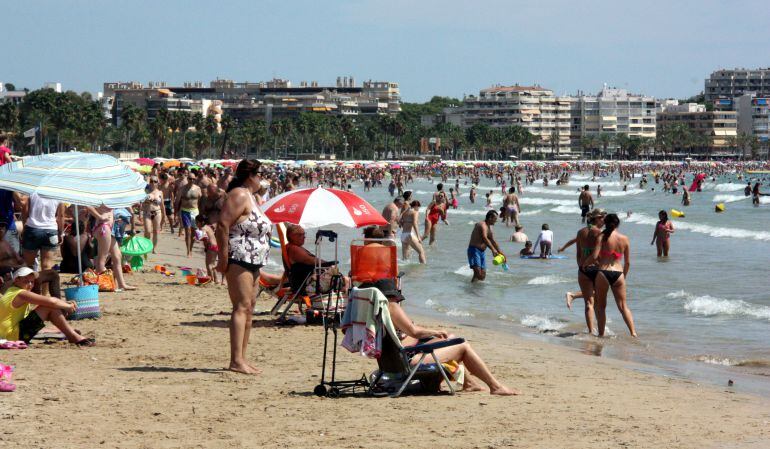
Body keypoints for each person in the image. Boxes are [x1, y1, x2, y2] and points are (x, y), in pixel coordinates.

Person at [370, 278, 519, 395]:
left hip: (392, 362)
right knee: (463, 346)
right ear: (391, 295)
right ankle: (495, 386)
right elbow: (414, 332)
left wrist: (430, 334)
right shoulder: (391, 307)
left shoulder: (375, 310)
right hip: (408, 361)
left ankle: (469, 384)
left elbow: (405, 336)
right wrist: (434, 332)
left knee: (451, 339)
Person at [216, 159, 272, 375]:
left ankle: (242, 358)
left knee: (249, 308)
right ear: (251, 174)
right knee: (241, 306)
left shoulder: (252, 197)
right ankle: (236, 360)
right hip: (239, 256)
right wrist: (223, 256)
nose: (262, 178)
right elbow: (223, 224)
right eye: (261, 173)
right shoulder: (239, 194)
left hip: (254, 258)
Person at [0, 267, 94, 345]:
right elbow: (50, 301)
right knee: (49, 306)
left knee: (50, 306)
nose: (30, 285)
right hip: (13, 337)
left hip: (9, 334)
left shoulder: (11, 291)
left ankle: (72, 335)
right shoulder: (21, 294)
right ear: (16, 280)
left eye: (32, 282)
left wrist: (63, 303)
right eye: (26, 281)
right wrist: (67, 306)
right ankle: (73, 336)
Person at [558, 208, 605, 334]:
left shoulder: (580, 232)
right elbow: (600, 255)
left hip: (583, 269)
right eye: (602, 217)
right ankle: (599, 332)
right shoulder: (600, 233)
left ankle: (591, 331)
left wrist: (581, 266)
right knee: (598, 303)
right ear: (596, 218)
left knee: (589, 302)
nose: (604, 219)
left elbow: (578, 253)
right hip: (597, 269)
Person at [588, 213, 637, 337]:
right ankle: (633, 333)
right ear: (618, 224)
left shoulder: (602, 236)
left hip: (603, 273)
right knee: (623, 306)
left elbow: (594, 256)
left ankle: (601, 334)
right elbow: (628, 262)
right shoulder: (625, 238)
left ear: (605, 223)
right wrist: (623, 276)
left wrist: (584, 264)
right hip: (618, 273)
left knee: (601, 306)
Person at [285, 224, 348, 294]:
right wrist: (329, 263)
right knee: (345, 280)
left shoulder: (291, 247)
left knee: (344, 279)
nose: (304, 237)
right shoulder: (294, 249)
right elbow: (311, 260)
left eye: (304, 234)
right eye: (300, 235)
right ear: (291, 236)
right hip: (307, 286)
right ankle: (350, 301)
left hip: (304, 283)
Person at [86, 204, 134, 291]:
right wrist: (99, 216)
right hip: (103, 226)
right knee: (102, 258)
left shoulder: (108, 194)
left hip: (109, 227)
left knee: (117, 256)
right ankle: (101, 284)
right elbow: (88, 206)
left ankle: (121, 284)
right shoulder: (100, 194)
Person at [22, 192, 64, 276]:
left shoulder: (32, 191)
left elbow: (25, 210)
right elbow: (61, 216)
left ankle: (29, 287)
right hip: (51, 230)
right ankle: (45, 289)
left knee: (28, 265)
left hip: (32, 228)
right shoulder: (59, 193)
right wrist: (61, 232)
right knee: (47, 266)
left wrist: (24, 226)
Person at [467, 210, 505, 282]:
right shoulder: (482, 225)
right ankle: (472, 290)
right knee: (478, 274)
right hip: (474, 250)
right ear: (490, 218)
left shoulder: (490, 227)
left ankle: (473, 289)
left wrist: (501, 253)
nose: (496, 221)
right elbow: (484, 238)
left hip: (482, 252)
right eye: (495, 219)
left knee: (482, 276)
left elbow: (493, 240)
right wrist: (493, 250)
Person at [178, 171, 202, 257]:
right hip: (185, 211)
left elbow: (201, 201)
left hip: (195, 211)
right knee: (187, 231)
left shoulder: (198, 189)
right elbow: (177, 201)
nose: (191, 180)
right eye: (190, 179)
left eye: (193, 179)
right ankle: (188, 251)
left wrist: (202, 213)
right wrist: (177, 213)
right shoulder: (182, 189)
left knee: (193, 232)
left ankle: (191, 249)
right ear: (187, 179)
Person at [194, 215, 220, 284]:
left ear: (201, 222)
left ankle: (211, 280)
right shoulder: (208, 226)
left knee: (209, 265)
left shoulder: (203, 228)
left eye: (197, 222)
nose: (196, 224)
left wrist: (196, 237)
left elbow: (202, 237)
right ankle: (216, 280)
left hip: (211, 247)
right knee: (213, 264)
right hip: (216, 246)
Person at [142, 176, 164, 254]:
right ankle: (147, 246)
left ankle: (154, 248)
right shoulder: (145, 191)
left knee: (156, 231)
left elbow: (162, 205)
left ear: (158, 183)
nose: (153, 183)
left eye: (155, 181)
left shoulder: (160, 192)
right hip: (147, 212)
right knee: (147, 231)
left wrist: (164, 217)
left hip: (157, 212)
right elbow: (141, 203)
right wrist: (147, 201)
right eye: (151, 181)